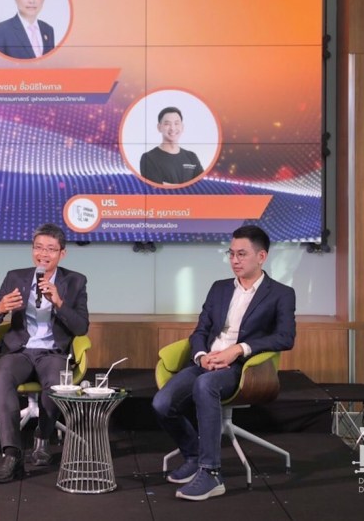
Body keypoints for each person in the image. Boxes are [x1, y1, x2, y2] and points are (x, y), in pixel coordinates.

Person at [152, 225, 296, 501]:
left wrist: (238, 350)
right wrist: (201, 356)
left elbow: (285, 337)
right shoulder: (219, 288)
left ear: (261, 256)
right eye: (231, 254)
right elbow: (200, 331)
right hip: (206, 362)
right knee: (162, 403)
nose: (234, 260)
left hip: (243, 369)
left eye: (242, 254)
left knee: (205, 385)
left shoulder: (281, 293)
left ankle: (212, 473)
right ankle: (194, 455)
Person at [0, 223, 89, 483]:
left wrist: (59, 302)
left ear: (62, 253)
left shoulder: (75, 281)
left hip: (52, 352)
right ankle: (12, 455)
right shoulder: (15, 277)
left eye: (51, 249)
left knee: (55, 382)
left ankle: (42, 437)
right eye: (38, 248)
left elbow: (81, 327)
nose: (43, 254)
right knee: (3, 375)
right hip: (19, 350)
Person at [139, 106, 205, 185]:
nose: (172, 128)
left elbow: (202, 187)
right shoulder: (148, 158)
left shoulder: (191, 157)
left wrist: (168, 184)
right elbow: (157, 189)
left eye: (176, 123)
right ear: (159, 127)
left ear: (182, 127)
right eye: (167, 124)